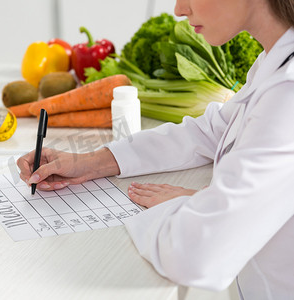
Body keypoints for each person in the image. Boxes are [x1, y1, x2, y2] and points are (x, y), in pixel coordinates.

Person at [17, 0, 294, 297]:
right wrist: (93, 161)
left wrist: (191, 204)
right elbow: (213, 130)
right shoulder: (275, 58)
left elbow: (196, 255)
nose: (178, 9)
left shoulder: (286, 94)